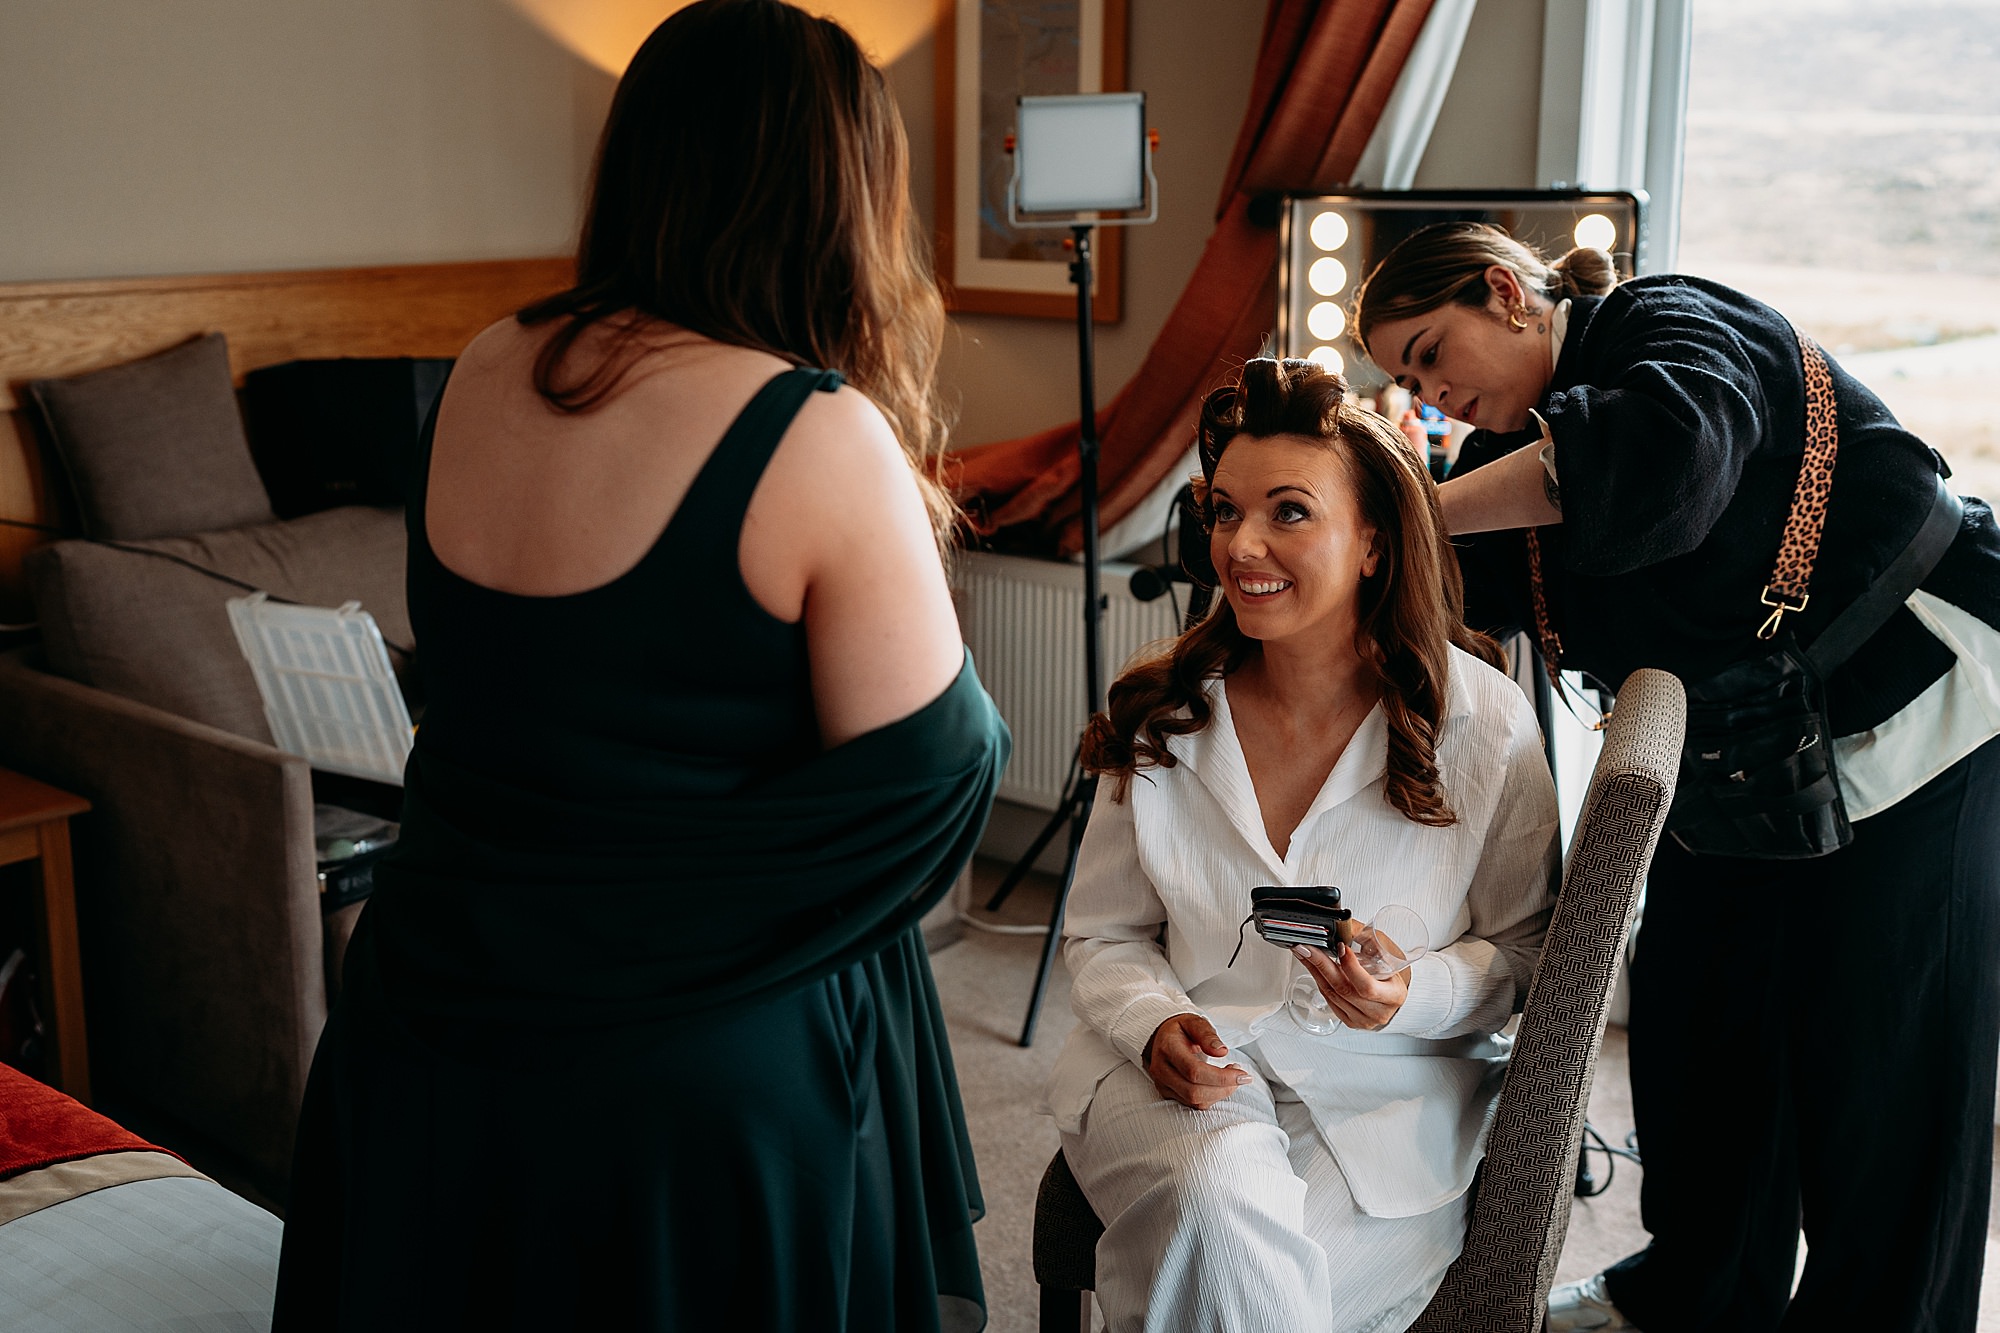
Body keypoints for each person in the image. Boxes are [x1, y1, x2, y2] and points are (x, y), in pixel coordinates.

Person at [271, 3, 1008, 1329]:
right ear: (840, 194)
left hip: (429, 998)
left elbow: (501, 692)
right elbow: (936, 779)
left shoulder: (487, 364)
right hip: (685, 1066)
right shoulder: (814, 433)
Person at [1353, 221, 2000, 1333]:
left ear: (1506, 293)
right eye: (1404, 379)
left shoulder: (1674, 324)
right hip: (1739, 758)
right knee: (1700, 1019)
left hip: (1916, 696)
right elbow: (1441, 599)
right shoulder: (1491, 466)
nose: (1429, 390)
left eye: (1425, 352)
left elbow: (1662, 464)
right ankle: (1698, 1293)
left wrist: (1401, 509)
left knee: (1887, 1049)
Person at [1044, 357, 1561, 1332]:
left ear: (1372, 541)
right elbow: (1103, 935)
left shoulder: (1481, 723)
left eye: (1288, 511)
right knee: (1214, 1202)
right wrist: (1156, 1023)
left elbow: (1534, 953)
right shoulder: (1165, 713)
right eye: (1224, 510)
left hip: (1385, 1106)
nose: (1240, 544)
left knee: (1250, 1296)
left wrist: (1412, 990)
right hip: (1174, 1078)